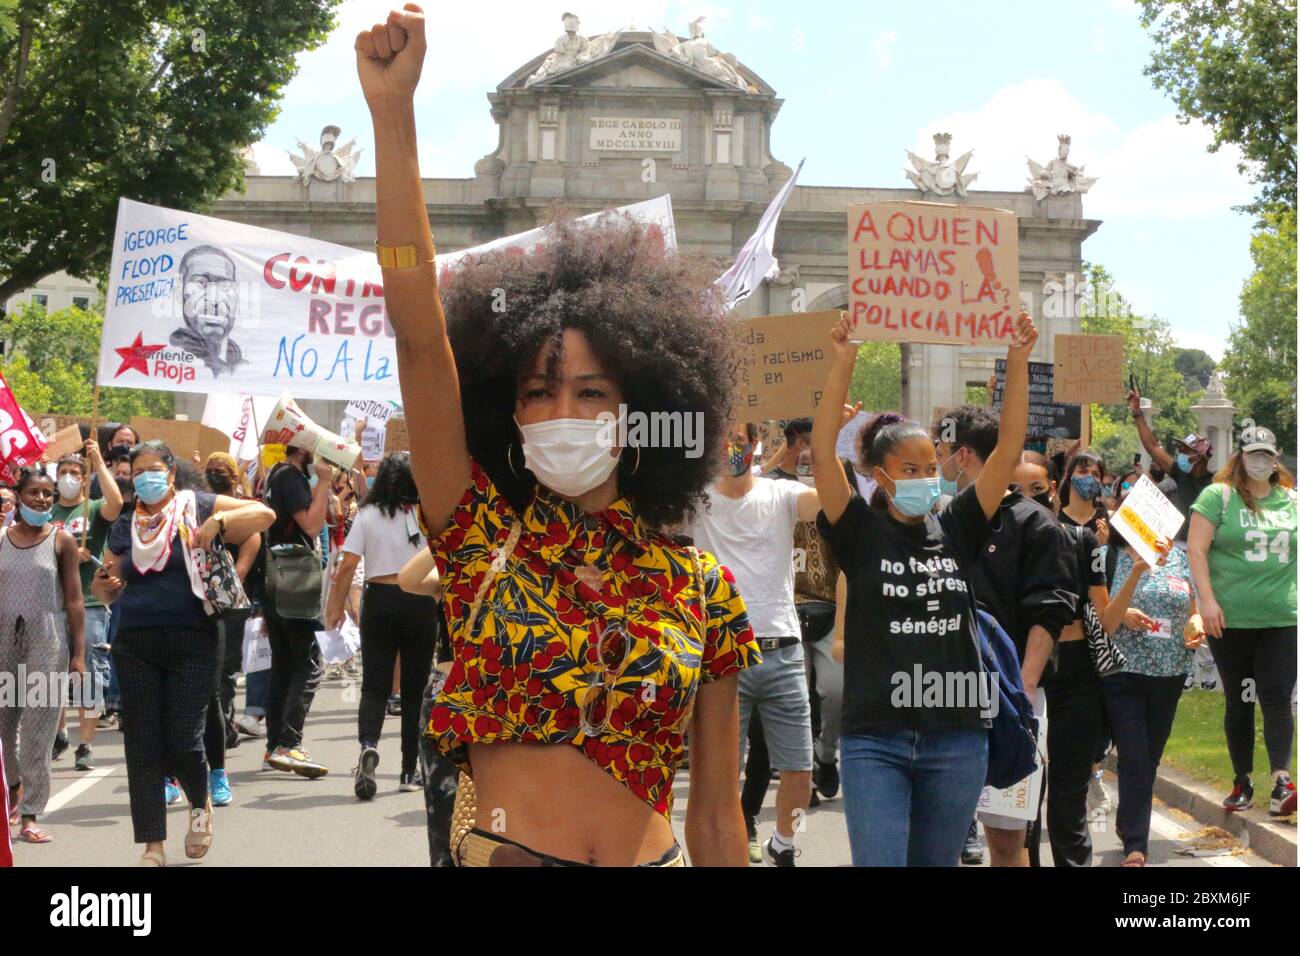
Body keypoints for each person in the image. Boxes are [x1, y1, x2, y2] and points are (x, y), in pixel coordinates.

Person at [358, 3, 759, 866]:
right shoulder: (475, 540)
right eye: (540, 391)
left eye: (591, 391)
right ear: (508, 409)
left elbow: (720, 821)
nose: (564, 411)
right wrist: (394, 119)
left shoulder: (702, 589)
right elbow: (420, 336)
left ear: (641, 410)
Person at [813, 309, 1038, 867]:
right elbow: (820, 454)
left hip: (956, 738)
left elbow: (1008, 448)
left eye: (928, 466)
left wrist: (1016, 361)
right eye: (907, 469)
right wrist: (842, 362)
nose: (922, 477)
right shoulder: (858, 532)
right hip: (875, 741)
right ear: (879, 475)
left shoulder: (958, 525)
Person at [92, 440, 274, 866]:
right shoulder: (125, 522)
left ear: (171, 473)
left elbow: (265, 515)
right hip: (134, 640)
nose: (144, 478)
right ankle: (152, 845)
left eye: (152, 469)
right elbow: (105, 580)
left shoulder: (199, 503)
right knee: (141, 744)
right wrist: (105, 586)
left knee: (183, 737)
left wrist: (221, 521)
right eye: (136, 472)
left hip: (194, 638)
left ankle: (199, 802)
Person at [934, 411, 1076, 867]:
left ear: (963, 455)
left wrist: (1023, 689)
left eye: (938, 455)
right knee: (938, 833)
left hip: (1008, 698)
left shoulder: (1037, 525)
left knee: (1006, 841)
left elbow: (1048, 613)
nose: (935, 467)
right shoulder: (939, 522)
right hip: (939, 694)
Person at [689, 421, 822, 866]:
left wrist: (825, 448)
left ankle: (785, 842)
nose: (733, 450)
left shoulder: (780, 495)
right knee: (724, 774)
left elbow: (827, 504)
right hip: (723, 657)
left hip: (783, 650)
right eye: (724, 443)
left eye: (741, 443)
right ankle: (731, 845)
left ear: (757, 446)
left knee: (800, 772)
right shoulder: (696, 501)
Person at [1187, 426, 1298, 816]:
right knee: (1241, 698)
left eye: (1267, 455)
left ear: (1276, 458)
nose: (1260, 461)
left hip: (1281, 617)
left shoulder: (1292, 501)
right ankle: (1243, 779)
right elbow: (1197, 550)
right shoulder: (1218, 496)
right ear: (1240, 455)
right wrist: (1208, 601)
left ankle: (1282, 780)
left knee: (1277, 698)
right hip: (1230, 619)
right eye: (1253, 453)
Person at [325, 453, 438, 797]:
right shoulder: (426, 514)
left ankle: (368, 746)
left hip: (379, 601)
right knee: (416, 689)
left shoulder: (368, 514)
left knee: (374, 685)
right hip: (420, 602)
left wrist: (335, 607)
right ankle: (408, 770)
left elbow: (347, 566)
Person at [1099, 527, 1197, 866]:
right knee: (1135, 755)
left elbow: (1192, 606)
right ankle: (1137, 845)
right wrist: (1136, 575)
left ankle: (1128, 823)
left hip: (1170, 673)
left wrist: (1195, 623)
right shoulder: (1109, 559)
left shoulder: (1181, 560)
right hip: (1124, 673)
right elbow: (1104, 620)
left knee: (1149, 757)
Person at [0, 467, 86, 845]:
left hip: (47, 642)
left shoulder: (61, 541)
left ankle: (31, 814)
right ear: (18, 495)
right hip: (4, 641)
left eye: (48, 494)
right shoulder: (0, 538)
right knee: (3, 728)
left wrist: (78, 654)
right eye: (33, 492)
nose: (41, 499)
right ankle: (14, 785)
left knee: (37, 730)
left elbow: (74, 599)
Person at [260, 443, 335, 778]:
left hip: (277, 577)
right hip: (293, 583)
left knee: (284, 666)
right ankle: (289, 743)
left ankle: (275, 744)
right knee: (308, 665)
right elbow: (312, 525)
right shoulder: (291, 478)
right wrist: (323, 483)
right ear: (303, 450)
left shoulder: (278, 474)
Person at [50, 442, 123, 773]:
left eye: (74, 473)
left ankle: (85, 744)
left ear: (84, 479)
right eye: (62, 472)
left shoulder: (93, 509)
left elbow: (117, 502)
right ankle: (59, 733)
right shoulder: (47, 514)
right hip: (52, 604)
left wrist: (97, 461)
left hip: (91, 603)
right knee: (51, 674)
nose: (67, 477)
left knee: (89, 676)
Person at [200, 452, 262, 806]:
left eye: (222, 472)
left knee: (225, 671)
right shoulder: (201, 505)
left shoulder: (237, 508)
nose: (215, 476)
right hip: (204, 600)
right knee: (214, 672)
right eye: (210, 472)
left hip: (233, 600)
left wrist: (233, 578)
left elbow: (253, 537)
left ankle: (224, 724)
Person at [1128, 389, 1212, 545]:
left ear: (1200, 457)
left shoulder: (1217, 483)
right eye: (1180, 450)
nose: (1180, 454)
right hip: (1178, 546)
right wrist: (1137, 413)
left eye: (1185, 450)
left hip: (1206, 549)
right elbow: (1152, 446)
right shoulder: (1180, 474)